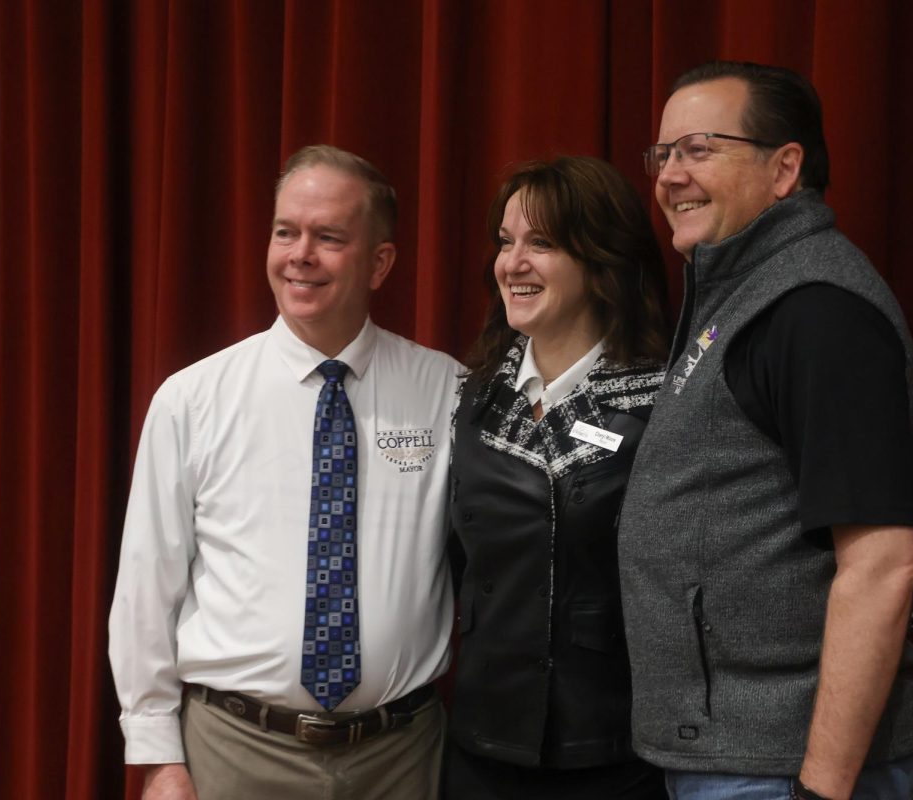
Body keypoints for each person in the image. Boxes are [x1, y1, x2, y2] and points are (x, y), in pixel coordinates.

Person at [108, 144, 460, 800]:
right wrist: (157, 756)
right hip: (234, 753)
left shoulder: (448, 392)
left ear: (380, 262)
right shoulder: (192, 399)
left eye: (328, 237)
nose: (300, 254)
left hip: (402, 759)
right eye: (285, 232)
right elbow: (146, 587)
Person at [618, 62, 913, 800]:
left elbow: (883, 565)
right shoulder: (739, 290)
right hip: (736, 759)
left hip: (785, 771)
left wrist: (821, 789)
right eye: (662, 155)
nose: (670, 176)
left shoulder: (817, 310)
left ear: (785, 167)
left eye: (698, 149)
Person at [445, 156, 671, 799]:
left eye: (541, 243)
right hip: (483, 747)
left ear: (602, 262)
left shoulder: (666, 398)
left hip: (616, 752)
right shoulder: (472, 395)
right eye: (506, 242)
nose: (512, 263)